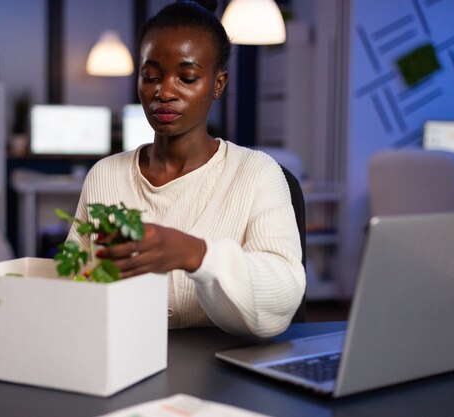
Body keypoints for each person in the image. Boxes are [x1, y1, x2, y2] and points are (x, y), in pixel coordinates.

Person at [67, 0, 305, 337]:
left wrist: (195, 254)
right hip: (126, 363)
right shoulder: (105, 176)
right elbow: (73, 285)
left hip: (225, 374)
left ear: (217, 84)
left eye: (187, 77)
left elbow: (283, 294)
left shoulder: (257, 174)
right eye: (151, 77)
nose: (164, 92)